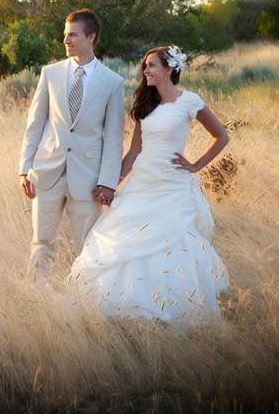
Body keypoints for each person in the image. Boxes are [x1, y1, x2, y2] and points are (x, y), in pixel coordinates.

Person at [69, 45, 231, 324]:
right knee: (125, 237)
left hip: (173, 185)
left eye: (152, 65)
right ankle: (124, 304)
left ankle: (176, 303)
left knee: (174, 239)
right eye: (145, 66)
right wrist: (110, 183)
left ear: (170, 70)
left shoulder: (190, 101)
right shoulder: (146, 106)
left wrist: (195, 166)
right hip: (143, 182)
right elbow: (134, 152)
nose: (146, 71)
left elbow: (222, 137)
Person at [18, 8, 125, 282]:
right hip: (47, 171)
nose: (66, 41)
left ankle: (84, 298)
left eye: (73, 35)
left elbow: (114, 137)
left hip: (89, 179)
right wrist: (24, 169)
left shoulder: (112, 82)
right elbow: (35, 124)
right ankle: (35, 296)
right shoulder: (50, 74)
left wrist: (108, 181)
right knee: (41, 241)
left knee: (88, 246)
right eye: (65, 35)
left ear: (91, 37)